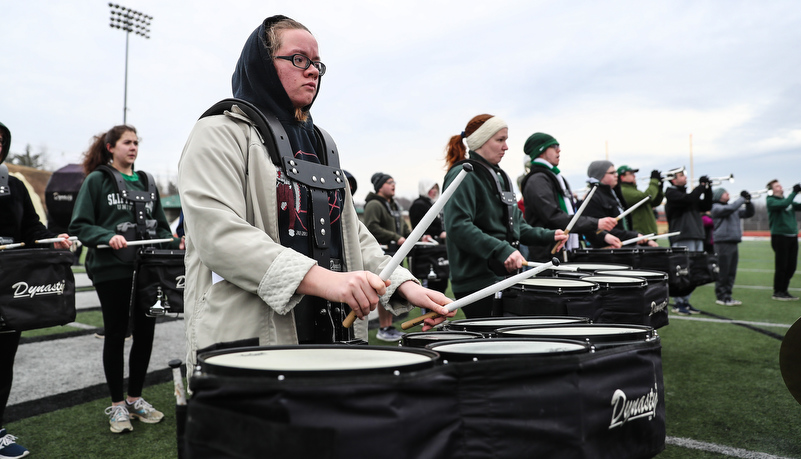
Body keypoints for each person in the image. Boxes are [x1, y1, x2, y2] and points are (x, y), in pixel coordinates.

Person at [177, 16, 453, 365]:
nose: (312, 71)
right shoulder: (218, 132)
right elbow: (217, 235)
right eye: (298, 59)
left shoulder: (322, 143)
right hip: (251, 341)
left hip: (332, 330)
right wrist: (326, 281)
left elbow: (353, 235)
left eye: (317, 63)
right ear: (261, 64)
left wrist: (405, 285)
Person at [69, 125, 181, 434]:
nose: (133, 147)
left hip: (148, 269)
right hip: (111, 269)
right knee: (116, 333)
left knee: (146, 333)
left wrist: (171, 241)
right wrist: (108, 236)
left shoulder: (147, 180)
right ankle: (117, 405)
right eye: (126, 142)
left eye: (136, 142)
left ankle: (135, 399)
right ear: (110, 147)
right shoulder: (97, 180)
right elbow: (80, 226)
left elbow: (160, 226)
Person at [442, 115, 568, 318]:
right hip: (477, 281)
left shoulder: (500, 177)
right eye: (500, 140)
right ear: (481, 141)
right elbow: (457, 226)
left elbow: (517, 227)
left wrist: (550, 235)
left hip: (502, 276)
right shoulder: (464, 174)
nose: (506, 147)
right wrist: (501, 250)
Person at [0, 122, 72, 458]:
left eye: (1, 141)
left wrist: (50, 239)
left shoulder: (12, 184)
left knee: (3, 360)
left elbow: (31, 229)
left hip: (8, 287)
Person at [520, 133, 619, 261]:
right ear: (541, 151)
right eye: (554, 146)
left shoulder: (557, 178)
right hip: (548, 256)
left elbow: (572, 216)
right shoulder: (537, 180)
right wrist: (596, 223)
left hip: (566, 252)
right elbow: (553, 217)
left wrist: (603, 236)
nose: (559, 150)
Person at [363, 172, 418, 341]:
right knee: (383, 289)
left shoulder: (393, 205)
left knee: (392, 289)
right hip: (381, 254)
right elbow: (371, 227)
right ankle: (383, 328)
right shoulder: (374, 204)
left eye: (394, 182)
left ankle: (388, 326)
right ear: (380, 186)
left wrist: (413, 236)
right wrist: (395, 238)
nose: (393, 184)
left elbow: (402, 228)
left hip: (396, 253)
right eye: (389, 182)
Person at [664, 166, 713, 315]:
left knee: (693, 272)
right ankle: (679, 303)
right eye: (681, 175)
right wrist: (701, 186)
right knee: (682, 272)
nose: (685, 177)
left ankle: (686, 300)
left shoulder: (688, 195)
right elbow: (690, 199)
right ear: (673, 179)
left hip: (696, 235)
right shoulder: (672, 193)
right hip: (682, 236)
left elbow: (706, 205)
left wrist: (708, 189)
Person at [582, 161, 658, 248]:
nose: (616, 175)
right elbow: (598, 231)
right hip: (609, 251)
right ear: (600, 175)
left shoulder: (614, 193)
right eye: (612, 173)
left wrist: (637, 237)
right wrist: (634, 236)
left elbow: (623, 226)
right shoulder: (593, 197)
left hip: (622, 246)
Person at [710, 188, 755, 305]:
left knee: (731, 272)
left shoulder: (732, 208)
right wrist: (742, 198)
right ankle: (721, 296)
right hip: (722, 243)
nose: (728, 193)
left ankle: (728, 296)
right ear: (719, 196)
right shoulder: (716, 207)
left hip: (733, 242)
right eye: (725, 193)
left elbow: (748, 213)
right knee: (723, 271)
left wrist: (748, 202)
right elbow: (731, 208)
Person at [409, 178, 448, 293]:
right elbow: (419, 228)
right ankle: (428, 312)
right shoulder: (419, 205)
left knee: (441, 284)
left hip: (437, 251)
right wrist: (438, 234)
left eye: (436, 188)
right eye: (431, 188)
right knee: (430, 288)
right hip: (427, 254)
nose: (434, 191)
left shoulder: (432, 204)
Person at [766, 179, 801, 301]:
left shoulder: (788, 200)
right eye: (776, 186)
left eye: (780, 185)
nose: (780, 187)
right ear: (771, 190)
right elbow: (784, 204)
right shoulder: (770, 200)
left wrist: (796, 193)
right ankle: (777, 291)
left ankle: (784, 290)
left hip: (792, 236)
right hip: (780, 237)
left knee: (791, 266)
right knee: (782, 265)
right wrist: (794, 192)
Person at [617, 165, 664, 236]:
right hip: (639, 234)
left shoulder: (634, 190)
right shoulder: (623, 191)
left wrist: (659, 188)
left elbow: (654, 202)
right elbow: (647, 197)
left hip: (646, 234)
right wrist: (654, 181)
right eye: (631, 174)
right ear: (622, 177)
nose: (634, 176)